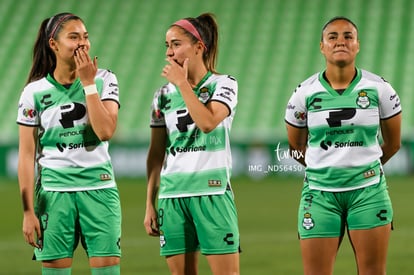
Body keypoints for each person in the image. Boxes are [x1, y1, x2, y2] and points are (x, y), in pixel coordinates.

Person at [285, 16, 402, 275]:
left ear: (357, 45)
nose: (341, 41)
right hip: (320, 195)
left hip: (368, 193)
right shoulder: (303, 92)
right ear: (322, 46)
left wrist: (365, 167)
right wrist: (323, 168)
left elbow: (393, 143)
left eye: (348, 36)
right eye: (333, 37)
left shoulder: (380, 88)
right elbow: (294, 146)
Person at [16, 12, 121, 275]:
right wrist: (28, 211)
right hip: (53, 196)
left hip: (100, 189)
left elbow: (106, 131)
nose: (83, 43)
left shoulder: (104, 79)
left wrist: (88, 84)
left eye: (85, 37)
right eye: (74, 37)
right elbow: (26, 156)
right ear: (54, 44)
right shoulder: (33, 92)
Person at [144, 13, 240, 275]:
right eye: (167, 45)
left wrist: (183, 84)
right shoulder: (162, 96)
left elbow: (208, 122)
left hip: (213, 194)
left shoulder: (224, 84)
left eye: (176, 44)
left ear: (199, 47)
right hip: (172, 197)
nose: (169, 52)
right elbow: (156, 154)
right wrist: (150, 203)